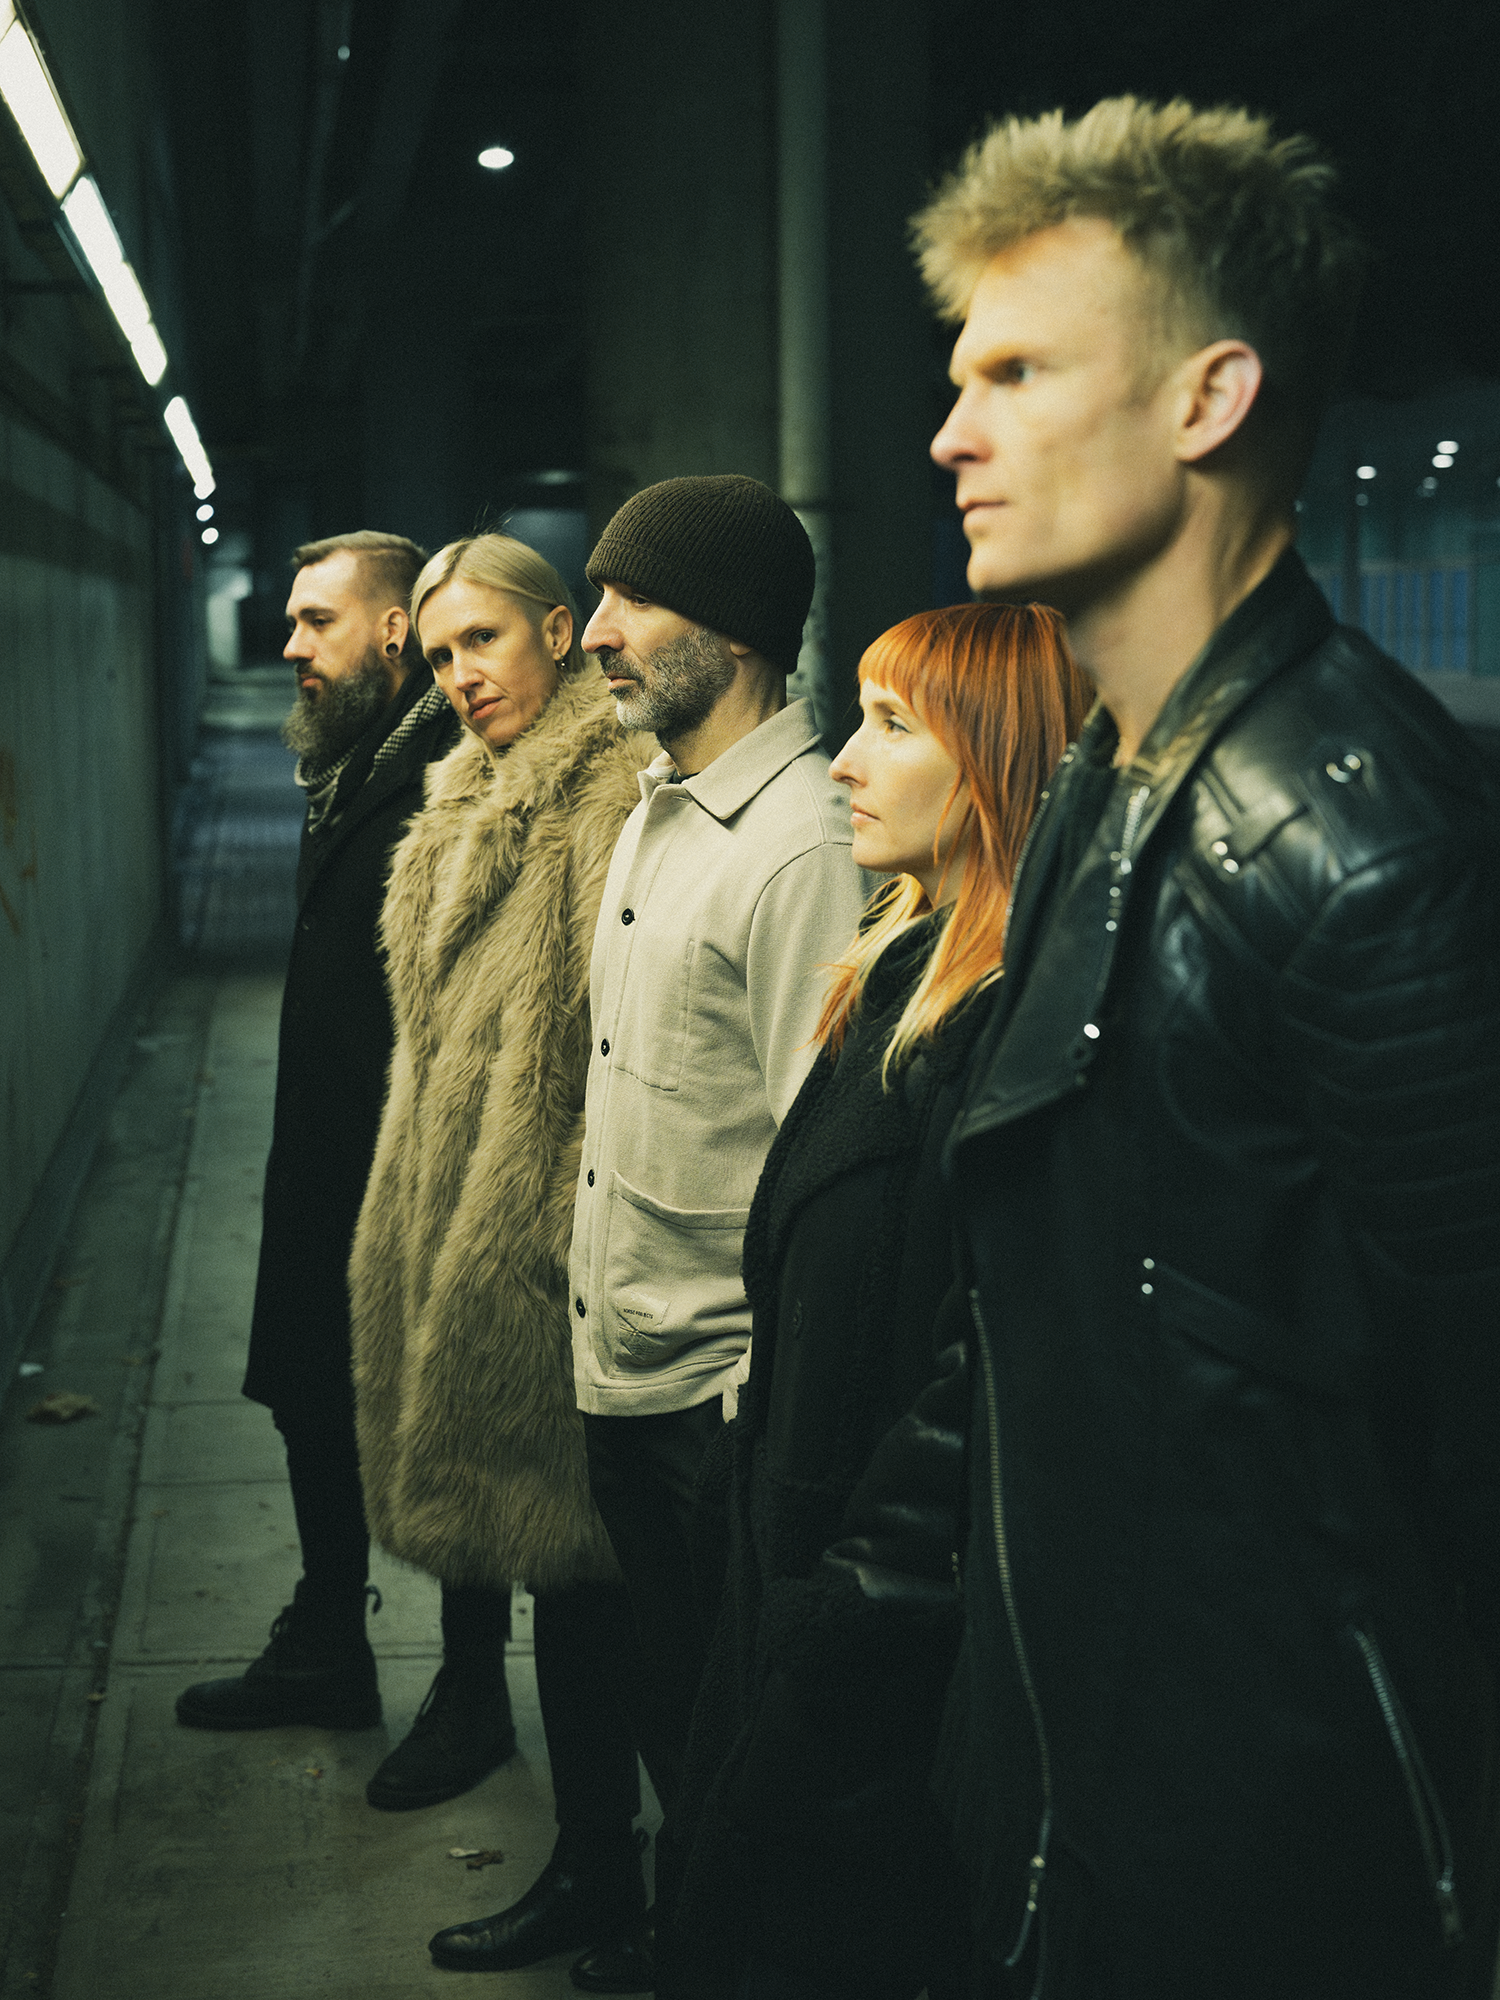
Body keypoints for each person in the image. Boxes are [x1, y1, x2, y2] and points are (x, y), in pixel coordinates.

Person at [845, 94, 1500, 1999]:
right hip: (1087, 1798)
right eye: (958, 376)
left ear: (1209, 400)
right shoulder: (1103, 786)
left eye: (1019, 373)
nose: (952, 432)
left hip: (1282, 1874)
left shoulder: (1365, 852)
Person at [672, 604, 1091, 2000]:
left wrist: (827, 1637)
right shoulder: (900, 970)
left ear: (999, 766)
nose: (846, 761)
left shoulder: (999, 1038)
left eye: (892, 725)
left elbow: (960, 1403)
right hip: (801, 1576)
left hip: (870, 1649)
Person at [567, 473, 872, 1980]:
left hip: (717, 1403)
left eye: (633, 599)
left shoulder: (800, 846)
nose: (596, 630)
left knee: (735, 1754)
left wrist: (760, 1408)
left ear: (736, 629)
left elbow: (824, 1167)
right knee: (673, 1726)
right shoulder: (662, 807)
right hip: (627, 1368)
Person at [344, 534, 660, 1986]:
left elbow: (626, 1051)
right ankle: (598, 1851)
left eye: (486, 640)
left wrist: (541, 1235)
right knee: (555, 1575)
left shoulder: (609, 793)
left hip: (547, 1253)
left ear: (558, 629)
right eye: (442, 652)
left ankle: (612, 1868)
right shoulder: (465, 789)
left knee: (592, 1586)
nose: (464, 674)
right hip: (456, 1222)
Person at [175, 532, 464, 1776]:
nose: (289, 643)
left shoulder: (447, 775)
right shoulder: (349, 760)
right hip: (325, 1141)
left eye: (316, 621)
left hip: (410, 1155)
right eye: (291, 620)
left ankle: (470, 1687)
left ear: (394, 629)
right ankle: (330, 1640)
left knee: (448, 1413)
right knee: (307, 1390)